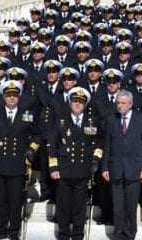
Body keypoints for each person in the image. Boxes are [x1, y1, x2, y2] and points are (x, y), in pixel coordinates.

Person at [0, 80, 40, 240]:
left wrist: (31, 149)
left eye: (15, 95)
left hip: (17, 164)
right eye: (9, 95)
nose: (12, 98)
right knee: (0, 200)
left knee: (15, 201)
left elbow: (37, 135)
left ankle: (14, 231)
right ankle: (0, 229)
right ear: (3, 97)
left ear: (19, 96)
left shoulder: (27, 115)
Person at [48, 87, 103, 240]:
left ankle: (78, 234)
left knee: (79, 206)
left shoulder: (92, 122)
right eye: (75, 101)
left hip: (83, 170)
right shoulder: (61, 121)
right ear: (70, 102)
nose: (78, 104)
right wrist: (53, 167)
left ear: (85, 104)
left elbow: (99, 143)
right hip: (64, 171)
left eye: (81, 101)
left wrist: (95, 160)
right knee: (63, 206)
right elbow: (53, 145)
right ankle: (64, 234)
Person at [101, 90, 142, 240]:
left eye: (123, 103)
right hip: (115, 168)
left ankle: (129, 235)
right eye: (118, 103)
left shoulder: (141, 120)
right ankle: (118, 235)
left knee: (130, 205)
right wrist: (104, 167)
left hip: (134, 169)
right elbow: (107, 145)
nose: (120, 106)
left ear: (130, 104)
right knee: (118, 206)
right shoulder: (112, 119)